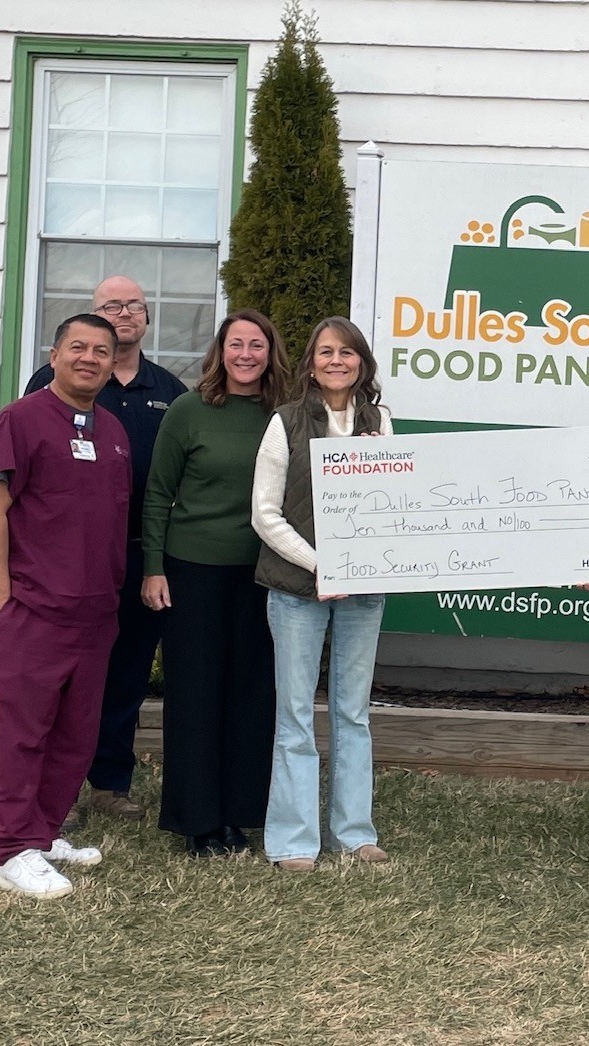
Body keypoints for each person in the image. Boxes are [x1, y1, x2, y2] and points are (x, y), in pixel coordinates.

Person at [0, 314, 130, 897]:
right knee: (24, 733)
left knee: (76, 735)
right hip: (34, 607)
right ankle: (13, 850)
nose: (89, 358)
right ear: (55, 355)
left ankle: (42, 832)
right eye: (78, 347)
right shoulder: (19, 420)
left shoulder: (112, 430)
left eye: (101, 351)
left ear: (112, 364)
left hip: (96, 613)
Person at [25, 276, 187, 826]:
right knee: (64, 673)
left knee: (126, 673)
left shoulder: (169, 390)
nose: (124, 313)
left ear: (147, 317)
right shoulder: (51, 382)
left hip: (139, 554)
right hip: (67, 557)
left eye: (134, 305)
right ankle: (59, 788)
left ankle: (109, 782)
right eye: (111, 305)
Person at [142, 309, 290, 857]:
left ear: (270, 354)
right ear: (220, 351)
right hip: (192, 570)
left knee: (251, 695)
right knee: (195, 695)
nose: (245, 354)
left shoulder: (285, 416)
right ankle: (197, 820)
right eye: (236, 344)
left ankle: (236, 815)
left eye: (256, 345)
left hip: (264, 574)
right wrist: (153, 567)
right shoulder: (188, 411)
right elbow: (158, 492)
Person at [252, 318, 392, 872]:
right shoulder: (284, 422)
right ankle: (293, 841)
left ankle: (355, 834)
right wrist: (322, 566)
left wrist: (385, 468)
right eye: (327, 352)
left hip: (363, 591)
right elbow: (265, 514)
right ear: (311, 363)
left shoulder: (380, 421)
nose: (337, 361)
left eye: (348, 352)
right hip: (297, 588)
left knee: (353, 711)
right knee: (295, 713)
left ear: (362, 362)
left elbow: (393, 505)